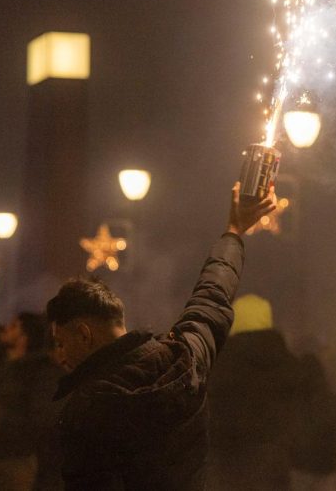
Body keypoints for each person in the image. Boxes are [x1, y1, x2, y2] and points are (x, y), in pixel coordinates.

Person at [47, 183, 275, 490]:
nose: (59, 355)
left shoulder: (87, 410)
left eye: (61, 343)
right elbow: (212, 296)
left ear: (84, 334)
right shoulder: (183, 359)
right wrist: (234, 231)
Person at [207, 294, 308, 491]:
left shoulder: (219, 365)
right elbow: (299, 417)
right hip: (275, 467)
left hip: (227, 468)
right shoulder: (289, 365)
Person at [0, 312, 64, 491]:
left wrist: (16, 441)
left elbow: (43, 417)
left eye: (13, 327)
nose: (5, 329)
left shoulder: (41, 371)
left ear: (24, 337)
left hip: (15, 462)